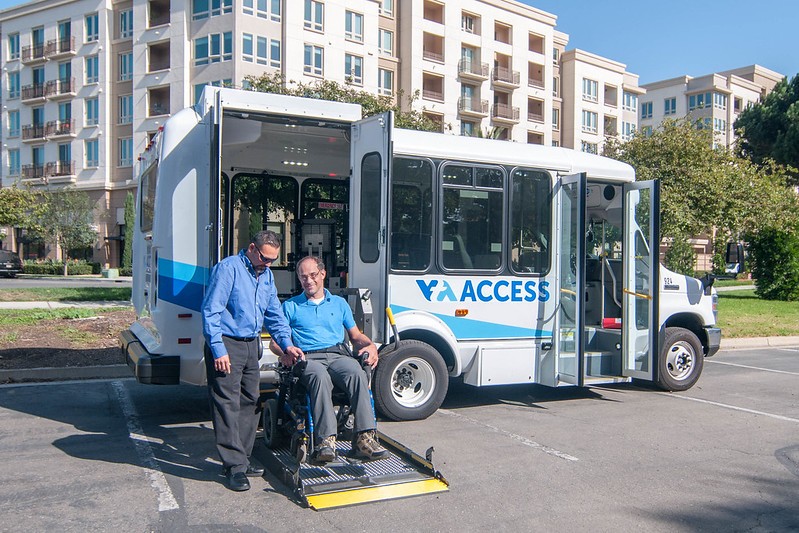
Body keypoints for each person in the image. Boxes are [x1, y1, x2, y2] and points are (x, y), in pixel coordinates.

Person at [202, 230, 304, 492]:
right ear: (251, 248)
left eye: (272, 260)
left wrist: (287, 344)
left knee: (250, 401)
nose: (267, 264)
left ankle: (243, 458)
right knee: (227, 403)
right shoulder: (228, 269)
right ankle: (233, 466)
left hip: (251, 344)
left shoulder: (266, 275)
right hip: (227, 343)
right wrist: (218, 349)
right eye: (264, 258)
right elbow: (211, 311)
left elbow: (275, 314)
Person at [272, 255, 388, 463]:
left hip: (337, 355)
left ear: (323, 274)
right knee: (319, 376)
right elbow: (274, 342)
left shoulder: (339, 304)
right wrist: (285, 353)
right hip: (308, 357)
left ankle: (364, 439)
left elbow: (356, 336)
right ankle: (326, 440)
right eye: (303, 277)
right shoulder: (290, 306)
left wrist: (371, 346)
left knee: (357, 373)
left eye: (313, 275)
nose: (308, 281)